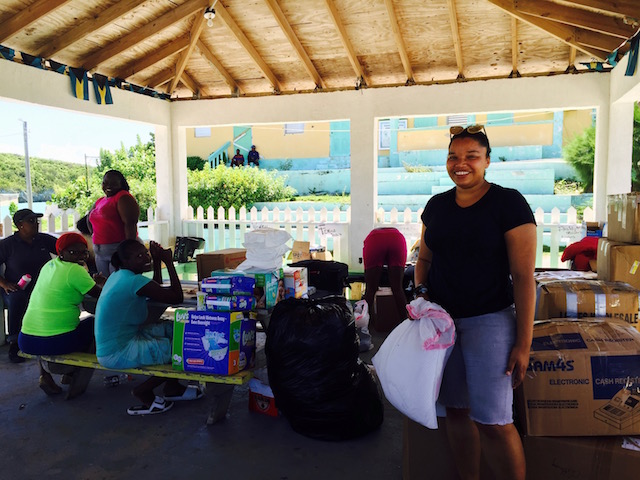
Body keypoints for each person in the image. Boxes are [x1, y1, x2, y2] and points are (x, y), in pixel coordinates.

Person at [414, 124, 536, 480]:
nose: (461, 163)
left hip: (490, 320)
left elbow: (524, 277)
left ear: (487, 160)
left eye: (471, 156)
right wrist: (421, 297)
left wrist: (523, 344)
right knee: (455, 411)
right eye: (454, 156)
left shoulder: (508, 203)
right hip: (442, 325)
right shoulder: (436, 205)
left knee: (495, 422)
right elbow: (424, 260)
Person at [95, 239, 202, 416]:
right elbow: (175, 297)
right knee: (182, 350)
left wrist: (157, 260)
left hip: (124, 338)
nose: (145, 258)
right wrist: (168, 261)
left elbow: (155, 286)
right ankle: (143, 392)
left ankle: (172, 387)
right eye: (139, 256)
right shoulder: (132, 281)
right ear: (125, 261)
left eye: (145, 253)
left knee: (176, 330)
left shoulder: (120, 275)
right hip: (116, 351)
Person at [18, 232, 105, 397]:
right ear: (61, 253)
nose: (80, 256)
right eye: (74, 252)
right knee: (95, 323)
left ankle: (45, 376)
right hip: (54, 343)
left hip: (26, 340)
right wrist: (102, 284)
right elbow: (102, 296)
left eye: (84, 252)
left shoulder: (49, 266)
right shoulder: (75, 271)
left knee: (46, 327)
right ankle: (73, 372)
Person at [0, 209, 57, 363]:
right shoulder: (8, 244)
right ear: (20, 225)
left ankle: (52, 337)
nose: (36, 225)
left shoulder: (43, 240)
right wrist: (4, 283)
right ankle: (14, 343)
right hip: (16, 287)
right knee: (17, 299)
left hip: (43, 286)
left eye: (36, 221)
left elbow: (63, 248)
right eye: (31, 221)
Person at [88, 170, 140, 276]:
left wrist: (127, 252)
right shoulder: (101, 200)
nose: (108, 186)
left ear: (121, 184)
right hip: (100, 252)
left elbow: (130, 224)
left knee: (118, 282)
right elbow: (89, 219)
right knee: (106, 284)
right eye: (105, 182)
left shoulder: (123, 197)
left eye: (113, 183)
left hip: (117, 250)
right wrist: (95, 236)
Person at [361, 227, 408, 323]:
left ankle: (362, 326)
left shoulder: (372, 236)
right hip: (397, 238)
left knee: (370, 290)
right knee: (398, 289)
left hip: (375, 239)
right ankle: (407, 326)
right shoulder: (396, 235)